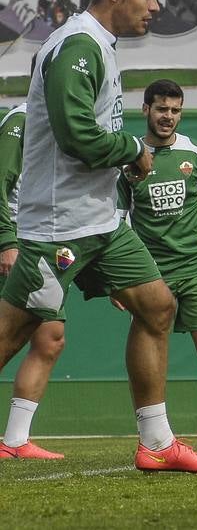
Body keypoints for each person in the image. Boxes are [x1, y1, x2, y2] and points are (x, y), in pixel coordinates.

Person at [0, 0, 197, 472]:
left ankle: (156, 443)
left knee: (158, 306)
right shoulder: (77, 44)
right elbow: (76, 132)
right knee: (12, 335)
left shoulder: (97, 43)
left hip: (101, 222)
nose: (155, 7)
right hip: (60, 226)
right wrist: (133, 152)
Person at [120, 79, 197, 456]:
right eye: (161, 109)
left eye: (175, 110)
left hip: (195, 264)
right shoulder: (128, 162)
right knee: (154, 350)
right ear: (146, 110)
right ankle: (160, 431)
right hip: (149, 272)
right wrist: (120, 279)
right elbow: (118, 221)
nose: (168, 117)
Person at [0, 103, 67, 460]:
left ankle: (14, 440)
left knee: (50, 337)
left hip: (42, 239)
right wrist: (5, 242)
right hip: (15, 242)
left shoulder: (64, 120)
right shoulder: (22, 118)